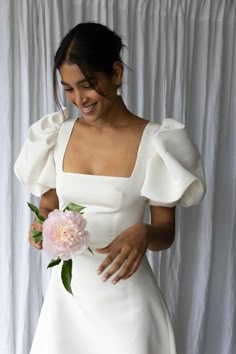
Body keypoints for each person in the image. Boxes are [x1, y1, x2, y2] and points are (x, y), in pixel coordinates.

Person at [14, 22, 206, 354]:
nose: (78, 99)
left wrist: (144, 232)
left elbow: (165, 232)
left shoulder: (156, 142)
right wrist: (42, 224)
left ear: (115, 74)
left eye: (87, 85)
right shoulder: (57, 134)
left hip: (127, 304)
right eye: (68, 88)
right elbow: (48, 203)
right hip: (68, 303)